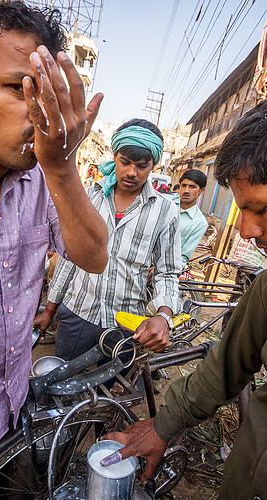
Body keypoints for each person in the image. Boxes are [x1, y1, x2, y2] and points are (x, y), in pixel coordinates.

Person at [0, 0, 109, 495]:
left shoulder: (41, 176)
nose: (40, 113)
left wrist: (60, 167)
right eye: (18, 89)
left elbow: (94, 256)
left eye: (49, 95)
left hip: (11, 411)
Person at [102, 99, 267, 500]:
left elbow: (170, 269)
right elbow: (226, 365)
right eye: (241, 210)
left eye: (260, 209)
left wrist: (163, 310)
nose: (246, 230)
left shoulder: (165, 213)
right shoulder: (94, 196)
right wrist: (162, 424)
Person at [35, 118, 182, 359]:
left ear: (153, 165)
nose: (131, 172)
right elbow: (70, 258)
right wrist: (50, 309)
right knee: (64, 383)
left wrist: (163, 315)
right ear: (115, 157)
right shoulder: (89, 197)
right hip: (77, 312)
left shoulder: (165, 211)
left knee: (112, 391)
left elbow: (167, 271)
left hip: (126, 323)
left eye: (142, 166)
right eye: (125, 162)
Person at [167, 169, 208, 266]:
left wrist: (162, 270)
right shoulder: (165, 202)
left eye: (192, 187)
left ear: (201, 191)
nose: (186, 190)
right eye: (184, 185)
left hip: (164, 269)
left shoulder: (200, 223)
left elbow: (183, 256)